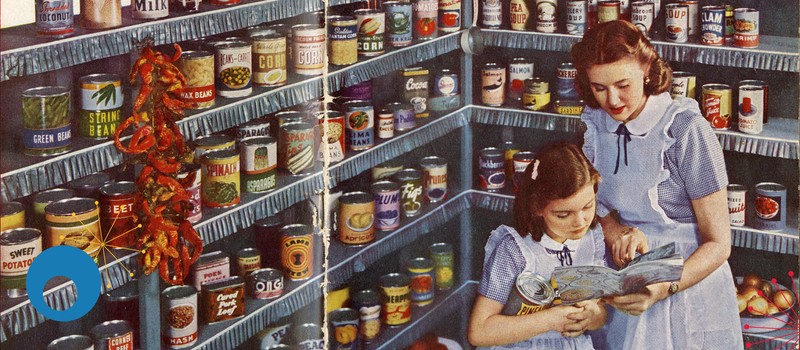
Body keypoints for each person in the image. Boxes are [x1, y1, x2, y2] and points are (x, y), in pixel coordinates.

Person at [572, 20, 743, 349]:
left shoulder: (685, 130)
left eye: (623, 84)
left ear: (648, 70)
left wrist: (664, 287)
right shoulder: (595, 126)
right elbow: (598, 207)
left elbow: (719, 244)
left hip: (686, 286)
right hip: (630, 284)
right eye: (598, 88)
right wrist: (617, 232)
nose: (612, 99)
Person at [468, 143, 608, 349]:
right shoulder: (514, 250)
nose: (580, 222)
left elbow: (601, 314)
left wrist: (593, 316)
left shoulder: (591, 241)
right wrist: (550, 320)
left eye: (588, 206)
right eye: (563, 214)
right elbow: (479, 332)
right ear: (536, 208)